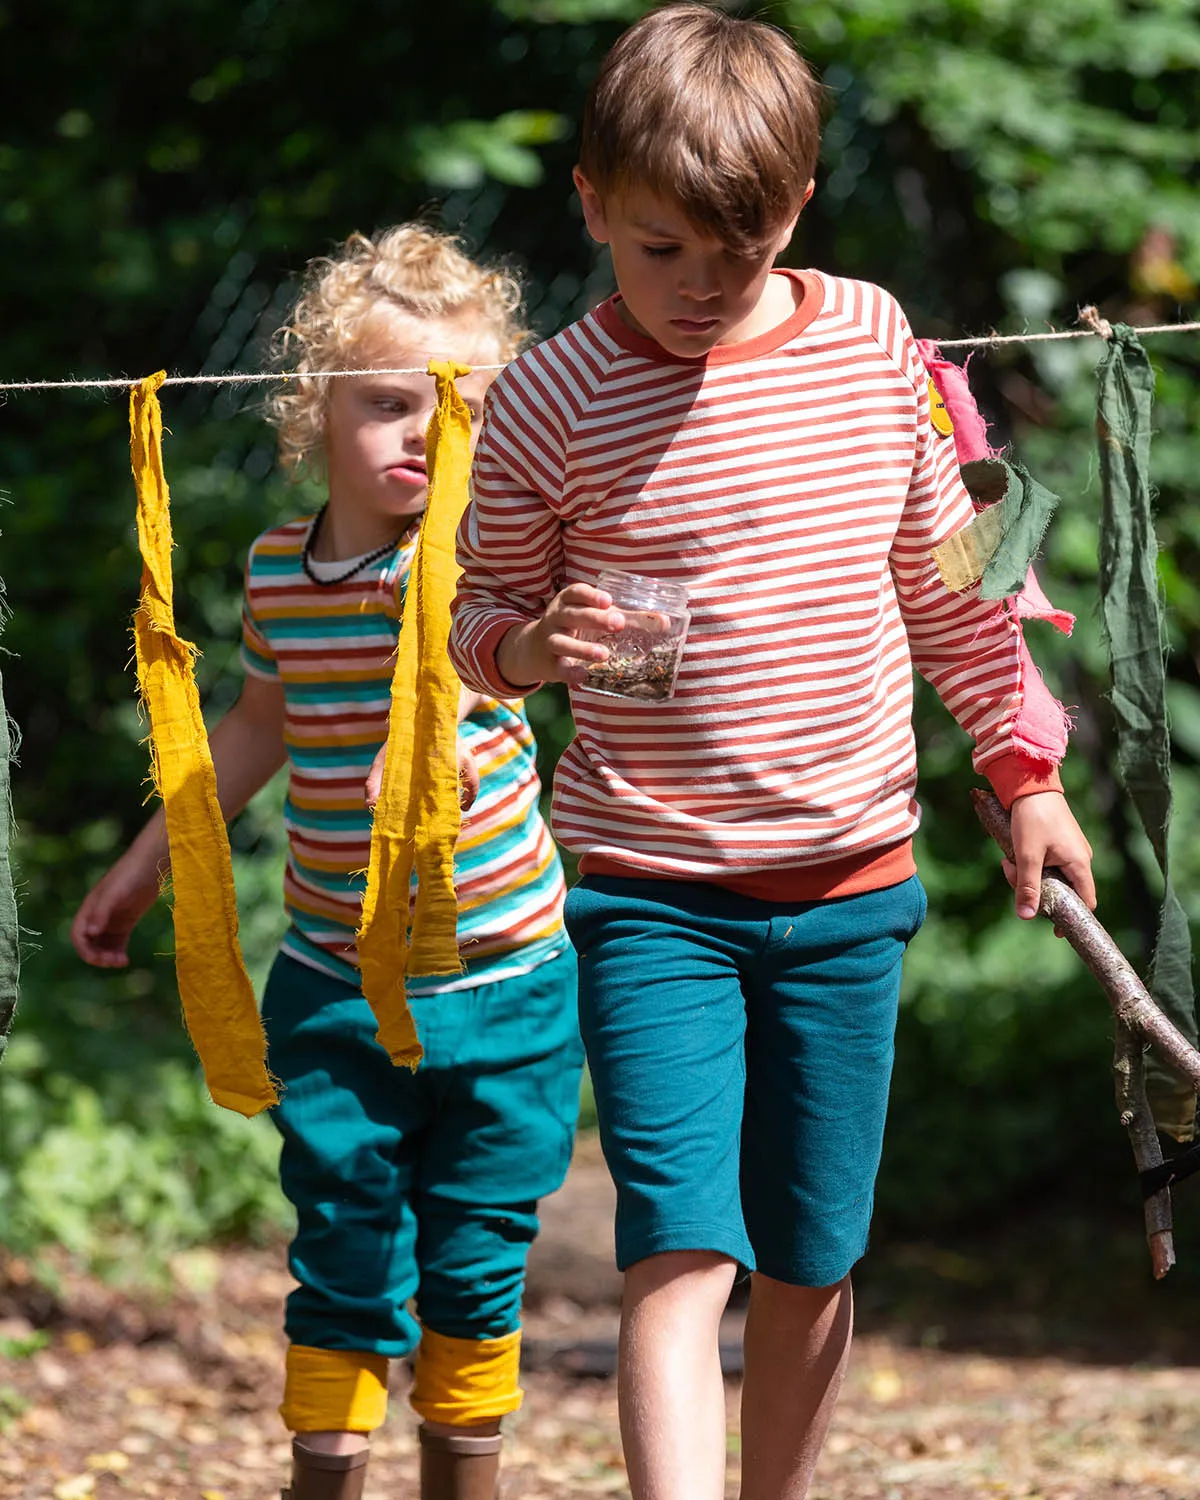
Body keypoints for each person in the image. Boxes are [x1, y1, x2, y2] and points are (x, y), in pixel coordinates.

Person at [447, 8, 1097, 1499]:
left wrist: (1026, 771)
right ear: (595, 204)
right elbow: (475, 619)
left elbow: (961, 585)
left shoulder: (874, 346)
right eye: (659, 248)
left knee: (812, 1255)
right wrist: (538, 649)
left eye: (730, 258)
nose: (693, 288)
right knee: (681, 1247)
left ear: (796, 210)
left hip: (853, 889)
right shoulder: (547, 401)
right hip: (647, 892)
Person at [71, 225, 583, 1500]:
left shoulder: (488, 565)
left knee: (478, 1260)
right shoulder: (277, 575)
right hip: (336, 988)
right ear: (316, 414)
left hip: (506, 981)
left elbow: (525, 669)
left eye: (462, 405)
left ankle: (465, 1474)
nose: (426, 432)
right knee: (345, 1250)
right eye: (392, 403)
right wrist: (149, 863)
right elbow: (251, 729)